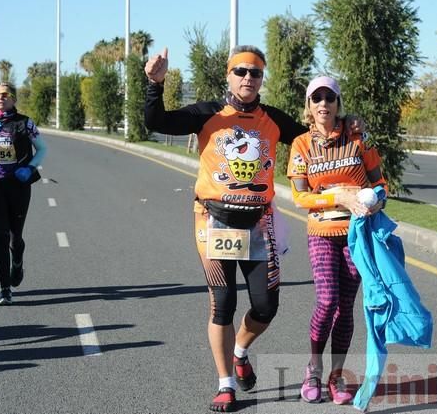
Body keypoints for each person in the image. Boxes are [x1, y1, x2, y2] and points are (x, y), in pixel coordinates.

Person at [144, 46, 365, 412]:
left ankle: (240, 351)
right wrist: (155, 84)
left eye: (256, 73)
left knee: (265, 307)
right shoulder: (206, 113)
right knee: (223, 303)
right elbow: (157, 121)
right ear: (229, 75)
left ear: (262, 79)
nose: (248, 78)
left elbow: (318, 130)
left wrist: (351, 122)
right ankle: (225, 383)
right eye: (241, 71)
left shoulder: (272, 119)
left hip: (260, 223)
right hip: (213, 221)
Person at [286, 76, 387, 405]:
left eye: (330, 97)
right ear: (309, 105)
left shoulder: (358, 137)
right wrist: (339, 198)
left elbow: (381, 183)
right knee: (327, 301)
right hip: (322, 233)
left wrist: (376, 200)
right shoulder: (301, 145)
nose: (323, 104)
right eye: (317, 98)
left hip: (358, 235)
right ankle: (313, 368)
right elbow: (300, 197)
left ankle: (336, 375)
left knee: (346, 309)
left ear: (338, 103)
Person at [0, 81, 47, 305]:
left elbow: (43, 148)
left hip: (18, 185)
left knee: (15, 237)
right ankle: (5, 289)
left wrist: (30, 167)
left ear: (13, 98)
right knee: (1, 235)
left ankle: (17, 261)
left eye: (5, 94)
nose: (0, 98)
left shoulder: (24, 123)